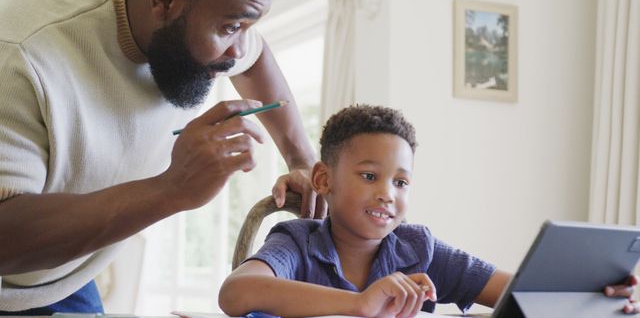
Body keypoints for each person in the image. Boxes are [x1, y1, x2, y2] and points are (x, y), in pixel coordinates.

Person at [0, 0, 325, 314]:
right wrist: (171, 189)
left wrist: (301, 159)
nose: (238, 50)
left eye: (246, 28)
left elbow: (255, 59)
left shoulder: (206, 9)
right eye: (231, 28)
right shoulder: (21, 55)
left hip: (68, 273)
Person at [219, 105, 639, 317]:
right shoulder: (299, 242)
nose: (388, 194)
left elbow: (519, 292)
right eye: (369, 176)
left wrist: (598, 292)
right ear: (324, 181)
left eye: (401, 182)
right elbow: (235, 292)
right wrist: (360, 304)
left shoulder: (419, 248)